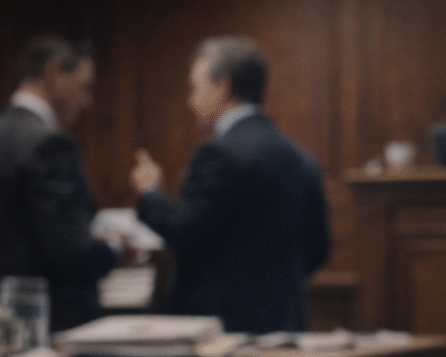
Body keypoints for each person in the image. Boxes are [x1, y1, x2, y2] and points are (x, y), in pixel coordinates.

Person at [130, 36, 330, 333]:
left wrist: (150, 193)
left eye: (195, 88)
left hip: (220, 332)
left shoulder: (217, 153)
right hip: (285, 326)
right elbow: (318, 250)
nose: (189, 101)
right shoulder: (302, 157)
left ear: (222, 86)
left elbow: (183, 230)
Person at [0, 35, 135, 332]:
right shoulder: (48, 145)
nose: (87, 102)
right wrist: (116, 251)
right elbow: (69, 250)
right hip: (50, 325)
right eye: (84, 87)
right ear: (54, 75)